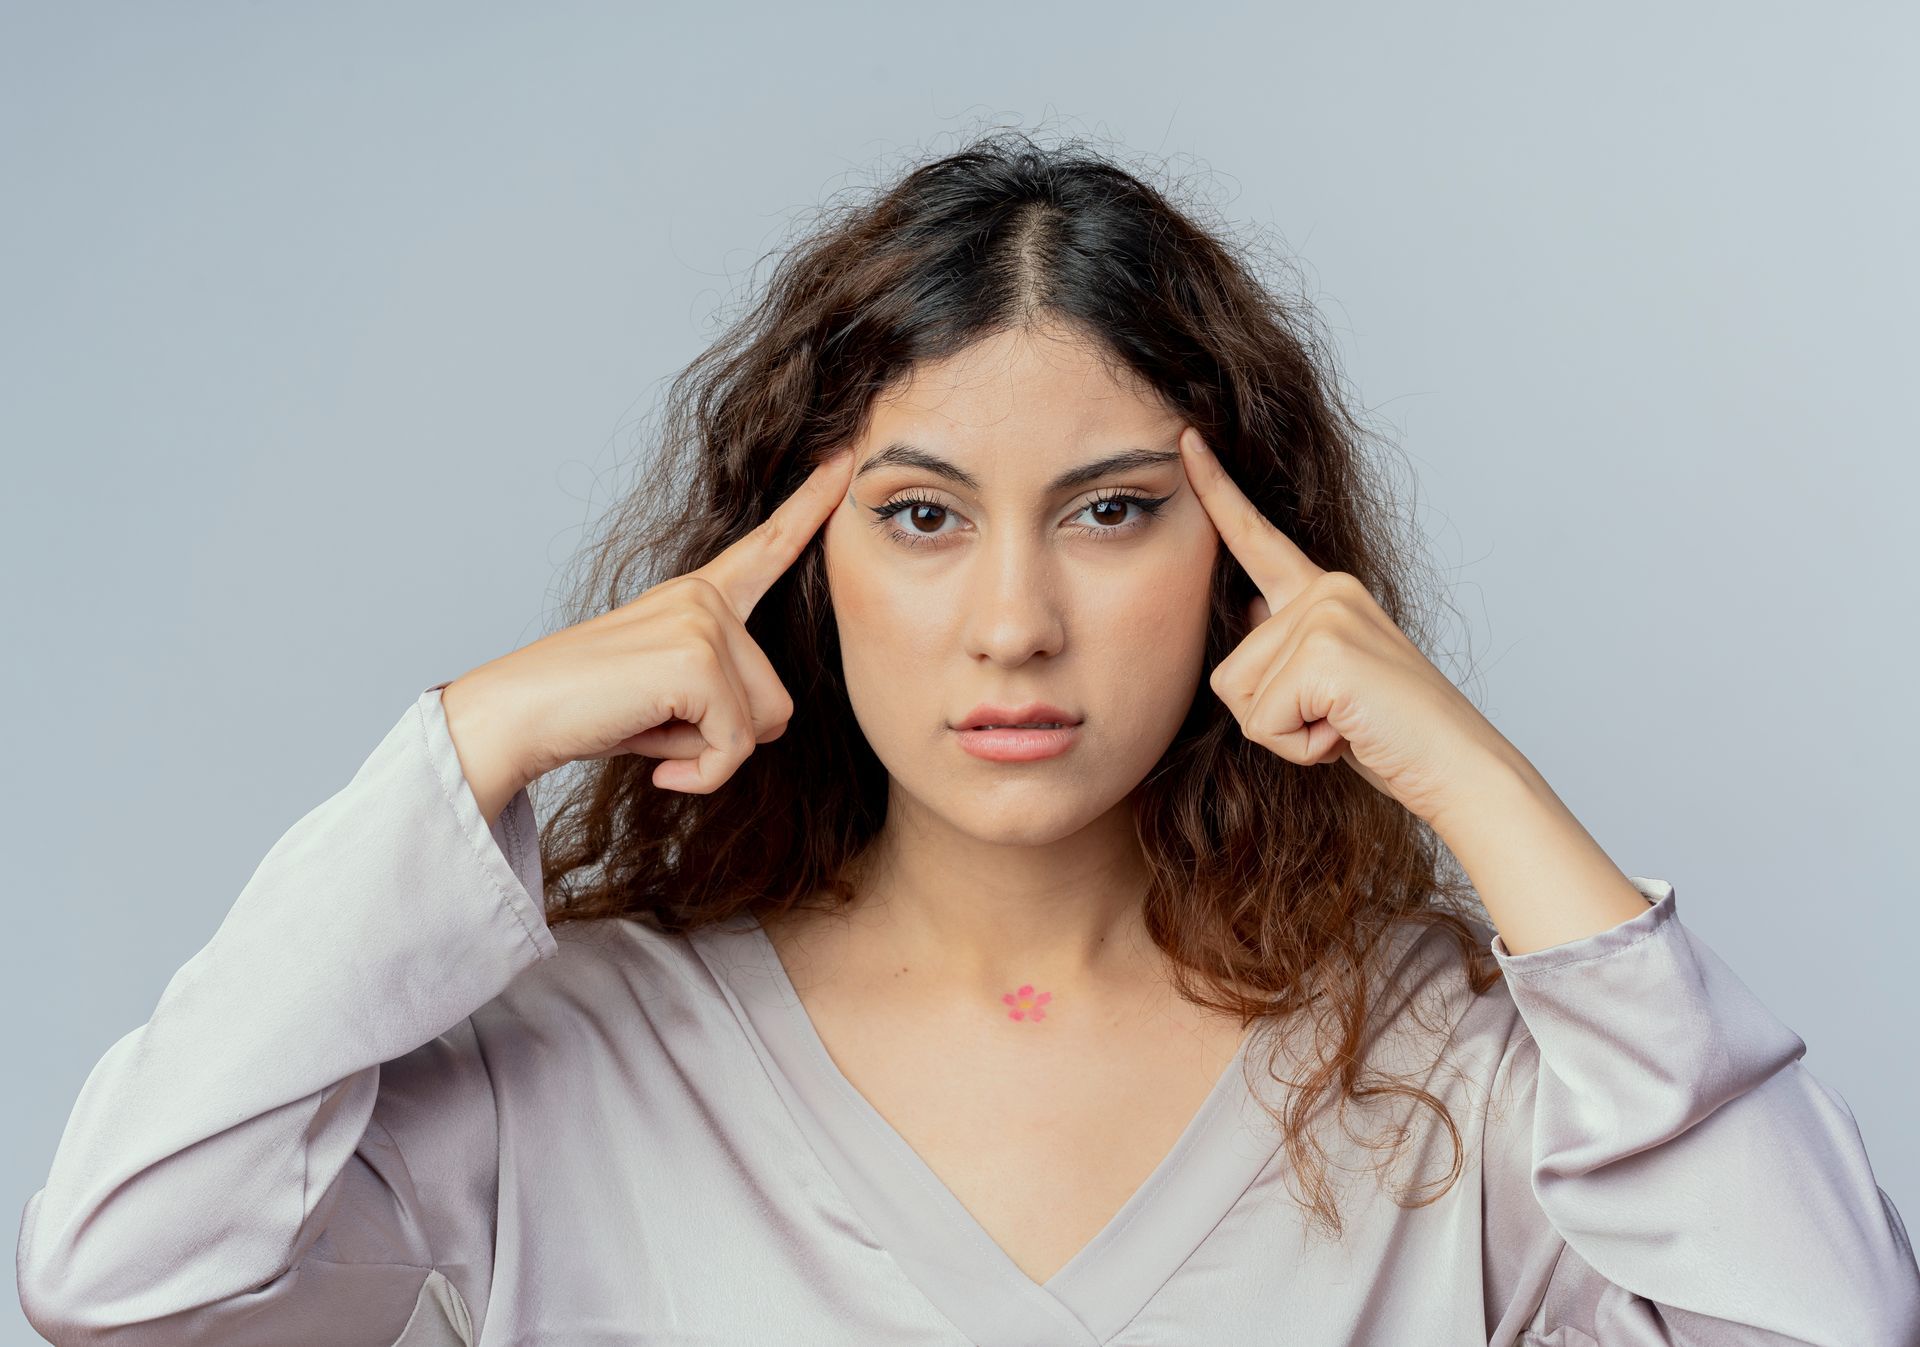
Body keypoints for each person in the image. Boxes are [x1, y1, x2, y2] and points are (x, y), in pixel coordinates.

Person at [17, 131, 1920, 1346]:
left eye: (1113, 512)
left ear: (1250, 558)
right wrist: (477, 738)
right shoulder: (580, 1062)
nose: (1015, 620)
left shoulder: (1446, 1073)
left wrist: (1486, 790)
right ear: (803, 560)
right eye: (921, 516)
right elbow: (114, 1286)